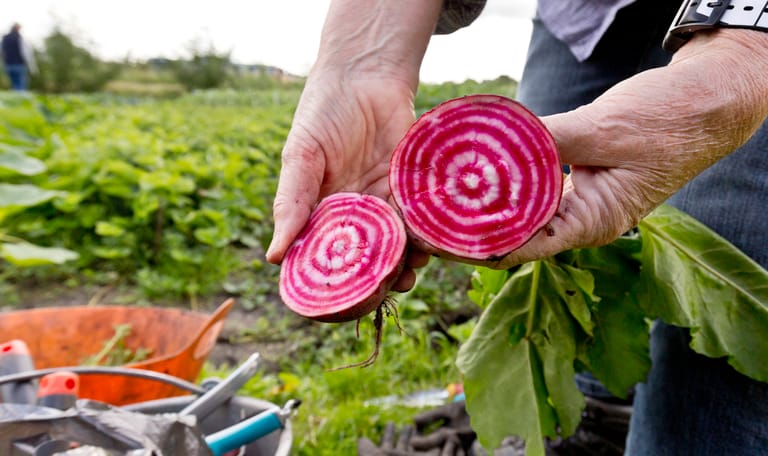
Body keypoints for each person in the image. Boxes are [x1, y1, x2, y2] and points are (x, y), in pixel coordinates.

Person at [266, 0, 768, 454]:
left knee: (706, 366)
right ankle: (589, 426)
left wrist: (745, 47)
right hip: (583, 15)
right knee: (547, 253)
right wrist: (358, 66)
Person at [2, 23, 37, 91]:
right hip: (19, 64)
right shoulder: (19, 38)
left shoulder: (5, 38)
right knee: (20, 84)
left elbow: (2, 51)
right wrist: (32, 66)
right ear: (17, 28)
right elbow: (25, 52)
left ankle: (15, 98)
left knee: (14, 83)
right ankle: (20, 98)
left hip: (8, 64)